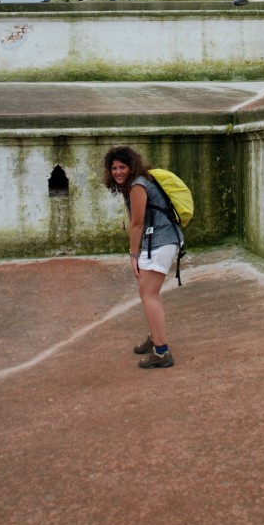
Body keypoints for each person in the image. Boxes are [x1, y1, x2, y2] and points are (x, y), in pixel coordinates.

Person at [103, 145, 182, 369]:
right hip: (155, 241)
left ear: (132, 167)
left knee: (149, 294)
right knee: (146, 293)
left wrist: (133, 255)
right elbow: (135, 221)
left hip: (161, 242)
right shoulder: (133, 185)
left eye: (122, 167)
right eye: (114, 168)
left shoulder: (138, 185)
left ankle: (162, 352)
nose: (117, 171)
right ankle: (154, 336)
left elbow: (136, 224)